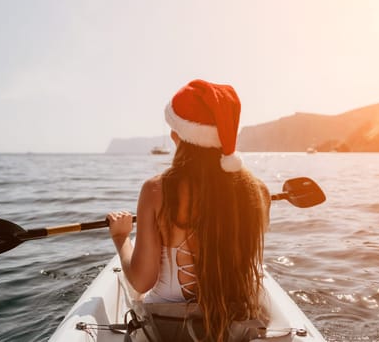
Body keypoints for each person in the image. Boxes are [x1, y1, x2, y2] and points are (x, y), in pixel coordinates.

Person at [107, 79, 271, 341]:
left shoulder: (155, 190)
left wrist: (120, 238)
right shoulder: (257, 192)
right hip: (237, 322)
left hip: (169, 325)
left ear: (178, 136)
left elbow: (141, 281)